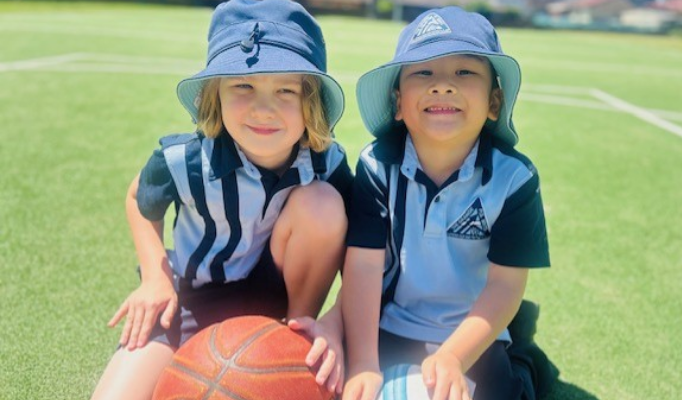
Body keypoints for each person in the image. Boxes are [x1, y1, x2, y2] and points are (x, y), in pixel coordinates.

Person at [90, 0, 352, 399]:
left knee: (324, 205)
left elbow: (362, 244)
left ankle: (296, 332)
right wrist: (155, 277)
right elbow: (138, 198)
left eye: (285, 89)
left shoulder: (325, 162)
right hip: (188, 300)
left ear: (310, 101)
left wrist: (337, 319)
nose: (264, 108)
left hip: (271, 297)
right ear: (215, 93)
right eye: (243, 86)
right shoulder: (184, 160)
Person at [340, 7, 553, 400]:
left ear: (494, 102)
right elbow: (365, 267)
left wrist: (454, 355)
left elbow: (506, 285)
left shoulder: (513, 178)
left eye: (464, 72)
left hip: (475, 329)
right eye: (423, 72)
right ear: (398, 102)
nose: (443, 85)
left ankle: (522, 352)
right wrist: (363, 362)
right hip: (392, 323)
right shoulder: (376, 165)